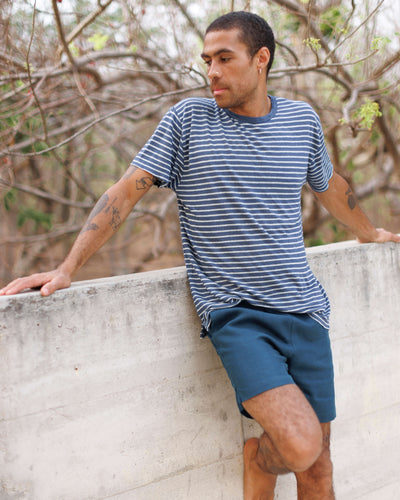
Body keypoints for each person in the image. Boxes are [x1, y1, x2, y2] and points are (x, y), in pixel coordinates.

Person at [1, 11, 399, 500]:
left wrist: (369, 233)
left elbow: (330, 186)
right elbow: (124, 192)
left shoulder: (301, 121)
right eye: (207, 59)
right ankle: (258, 458)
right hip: (238, 315)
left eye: (224, 58)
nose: (211, 71)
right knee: (300, 445)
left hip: (306, 310)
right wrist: (67, 268)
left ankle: (263, 464)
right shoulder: (188, 121)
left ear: (261, 59)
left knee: (319, 471)